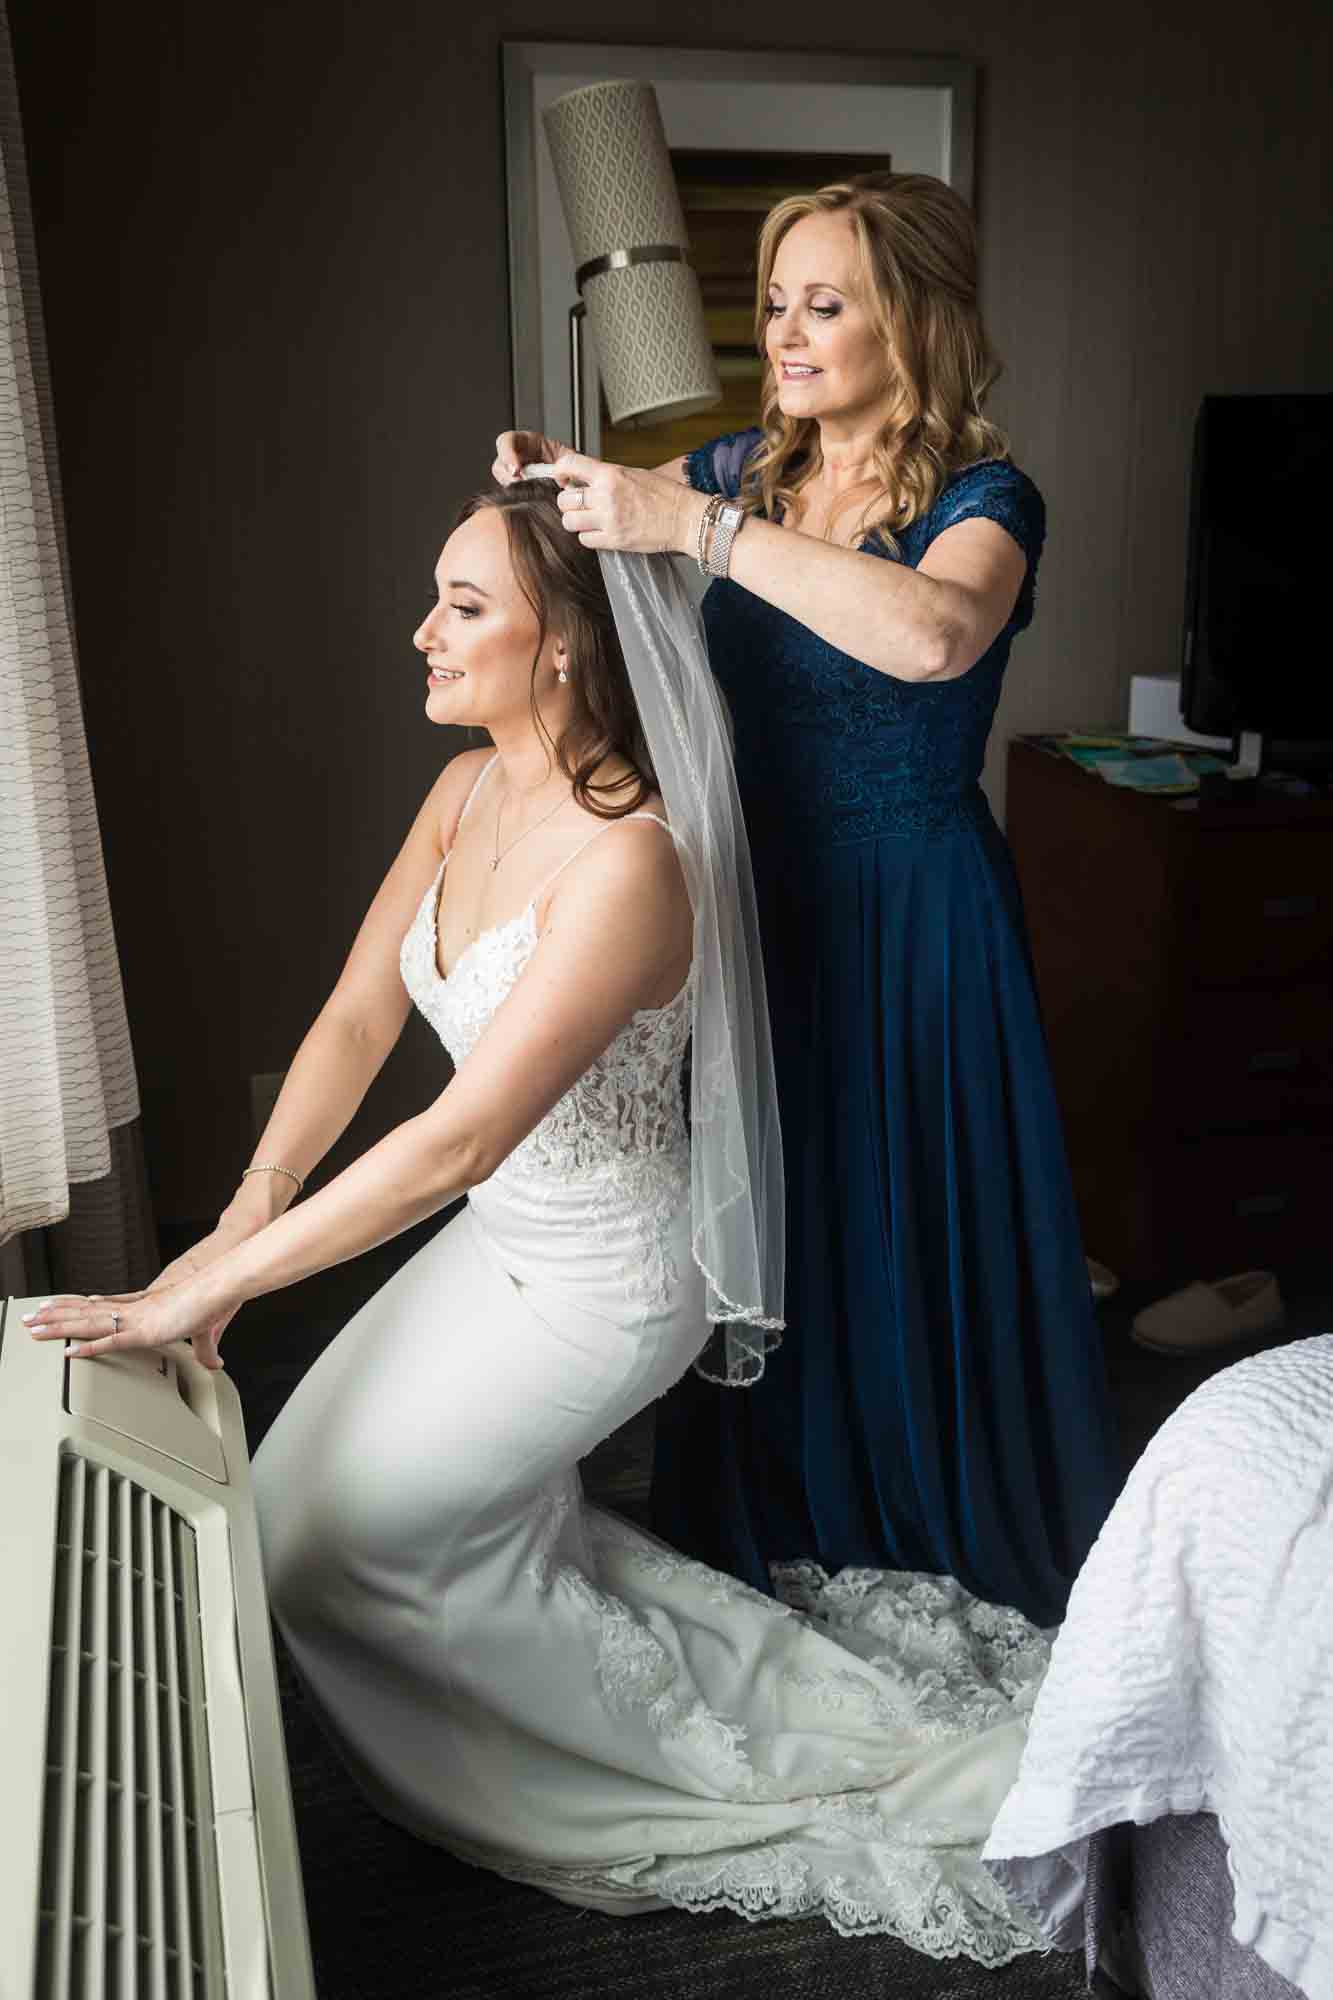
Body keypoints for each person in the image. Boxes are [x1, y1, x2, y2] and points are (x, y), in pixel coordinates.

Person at [27, 477, 1050, 1963]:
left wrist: (205, 1293)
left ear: (563, 645)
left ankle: (608, 1772)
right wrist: (238, 1217)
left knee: (323, 1548)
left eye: (463, 606)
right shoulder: (465, 791)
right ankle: (538, 1641)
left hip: (605, 1280)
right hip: (503, 1243)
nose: (419, 633)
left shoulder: (627, 861)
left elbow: (455, 1138)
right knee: (303, 1520)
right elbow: (355, 1015)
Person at [494, 170, 1122, 1630]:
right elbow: (620, 558)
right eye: (773, 302)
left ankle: (928, 1513)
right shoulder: (743, 470)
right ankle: (774, 1506)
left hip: (914, 920)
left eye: (822, 304)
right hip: (754, 910)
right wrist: (565, 486)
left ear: (912, 320)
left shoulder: (983, 496)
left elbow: (931, 636)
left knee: (905, 1211)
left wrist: (693, 526)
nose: (783, 332)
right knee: (783, 1218)